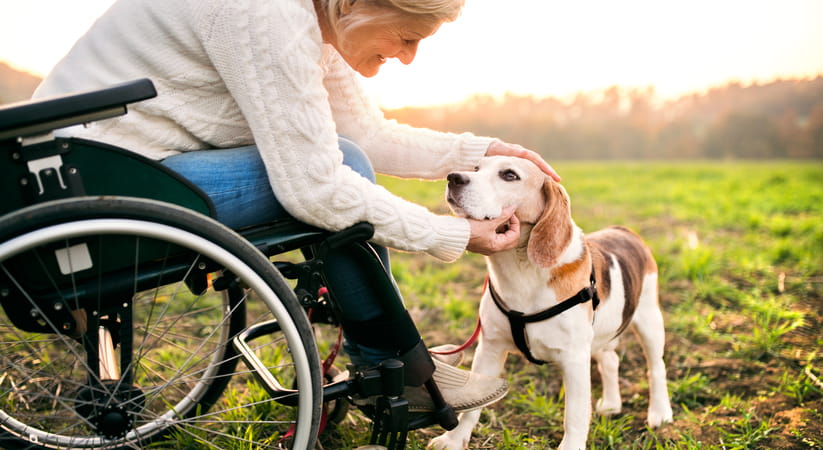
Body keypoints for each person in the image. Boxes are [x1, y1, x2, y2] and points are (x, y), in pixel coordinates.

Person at [34, 0, 560, 414]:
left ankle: (394, 363)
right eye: (408, 37)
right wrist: (452, 234)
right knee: (339, 172)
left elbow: (365, 133)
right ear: (357, 3)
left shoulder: (317, 20)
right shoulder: (267, 14)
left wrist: (480, 151)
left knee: (344, 159)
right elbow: (316, 186)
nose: (408, 57)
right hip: (90, 184)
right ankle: (393, 367)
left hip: (83, 170)